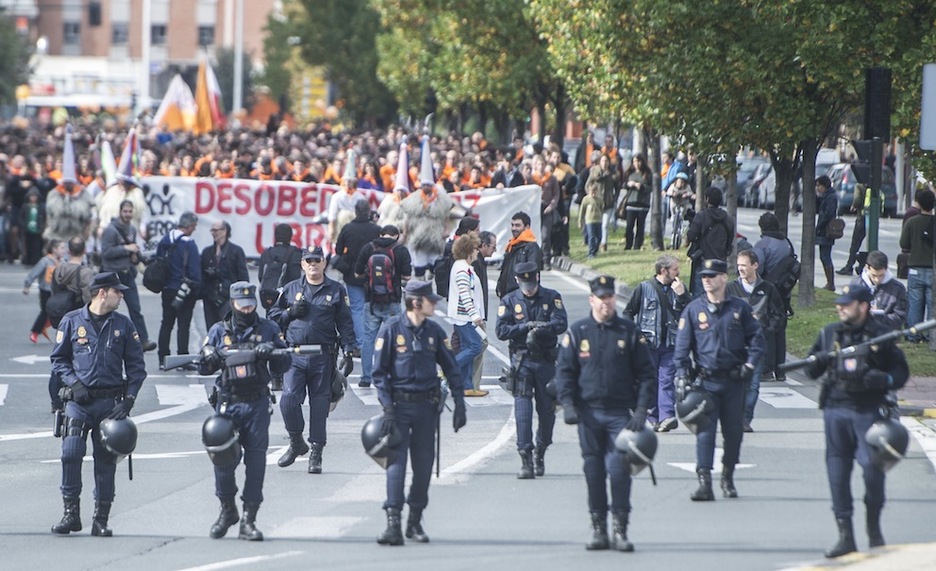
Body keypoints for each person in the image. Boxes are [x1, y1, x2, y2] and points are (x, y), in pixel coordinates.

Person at [803, 287, 909, 558]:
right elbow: (810, 369)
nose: (840, 308)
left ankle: (873, 528)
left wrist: (884, 380)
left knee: (873, 472)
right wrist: (817, 362)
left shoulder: (881, 335)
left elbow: (900, 371)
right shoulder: (829, 333)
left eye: (846, 304)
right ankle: (845, 535)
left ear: (863, 306)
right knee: (837, 475)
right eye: (839, 303)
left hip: (868, 411)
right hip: (835, 412)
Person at [555, 274, 656, 552]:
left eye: (609, 297)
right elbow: (564, 373)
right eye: (600, 298)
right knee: (593, 471)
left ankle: (620, 529)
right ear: (592, 300)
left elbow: (647, 374)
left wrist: (641, 410)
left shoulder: (629, 332)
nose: (605, 303)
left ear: (614, 299)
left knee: (619, 471)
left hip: (619, 416)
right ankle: (599, 528)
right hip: (588, 415)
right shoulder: (578, 332)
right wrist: (569, 405)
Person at [50, 272, 147, 537]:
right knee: (70, 454)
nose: (122, 296)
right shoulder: (71, 321)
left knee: (105, 461)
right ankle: (71, 515)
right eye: (118, 291)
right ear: (103, 293)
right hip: (78, 403)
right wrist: (74, 383)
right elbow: (59, 360)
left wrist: (129, 400)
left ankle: (101, 519)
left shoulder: (124, 325)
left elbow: (137, 368)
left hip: (109, 405)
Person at [372, 280, 467, 546]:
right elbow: (379, 374)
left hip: (427, 408)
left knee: (424, 466)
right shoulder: (390, 330)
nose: (435, 303)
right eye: (430, 300)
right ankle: (393, 523)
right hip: (399, 409)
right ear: (416, 303)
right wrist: (387, 408)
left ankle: (414, 520)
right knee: (396, 466)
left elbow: (452, 368)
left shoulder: (435, 332)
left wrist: (459, 402)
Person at [199, 282, 291, 542]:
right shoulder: (219, 331)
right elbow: (203, 365)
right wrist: (211, 357)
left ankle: (249, 518)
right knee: (222, 457)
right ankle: (227, 509)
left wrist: (271, 353)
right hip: (228, 402)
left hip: (256, 404)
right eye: (242, 305)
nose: (247, 309)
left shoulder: (269, 329)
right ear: (232, 303)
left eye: (251, 305)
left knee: (256, 460)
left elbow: (286, 361)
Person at [674, 259, 766, 501]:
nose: (706, 280)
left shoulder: (739, 309)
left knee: (733, 433)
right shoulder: (693, 310)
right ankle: (704, 482)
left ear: (724, 278)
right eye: (704, 276)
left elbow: (757, 341)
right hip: (706, 383)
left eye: (712, 276)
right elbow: (681, 349)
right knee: (705, 432)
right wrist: (682, 375)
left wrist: (749, 365)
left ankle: (727, 477)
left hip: (734, 383)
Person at [269, 246, 356, 474]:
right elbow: (272, 318)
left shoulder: (336, 290)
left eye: (317, 260)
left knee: (319, 406)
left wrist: (348, 351)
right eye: (308, 260)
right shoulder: (290, 289)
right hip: (295, 355)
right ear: (302, 264)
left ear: (324, 263)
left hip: (322, 355)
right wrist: (290, 313)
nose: (313, 264)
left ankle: (316, 452)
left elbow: (345, 323)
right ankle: (296, 441)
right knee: (288, 400)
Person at [496, 261, 568, 478]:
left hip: (546, 362)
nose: (529, 287)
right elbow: (501, 330)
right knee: (523, 412)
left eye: (532, 281)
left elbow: (561, 323)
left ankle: (541, 450)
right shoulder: (509, 300)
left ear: (537, 277)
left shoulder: (551, 297)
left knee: (547, 412)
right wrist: (524, 327)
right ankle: (525, 458)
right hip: (522, 361)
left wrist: (542, 327)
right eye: (524, 282)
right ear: (518, 280)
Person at [621, 254, 690, 432]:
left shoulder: (680, 288)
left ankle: (667, 416)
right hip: (648, 344)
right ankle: (654, 417)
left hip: (671, 343)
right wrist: (635, 333)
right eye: (675, 269)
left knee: (667, 379)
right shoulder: (643, 288)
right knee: (650, 380)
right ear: (663, 270)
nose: (678, 272)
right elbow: (628, 312)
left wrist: (682, 295)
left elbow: (690, 311)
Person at [726, 250, 785, 432]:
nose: (741, 269)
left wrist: (766, 331)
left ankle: (745, 419)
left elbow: (779, 315)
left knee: (753, 385)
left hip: (757, 345)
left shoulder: (767, 288)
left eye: (744, 265)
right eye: (739, 265)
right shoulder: (731, 288)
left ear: (755, 265)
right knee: (736, 384)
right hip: (735, 345)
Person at [354, 225, 413, 388]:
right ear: (396, 236)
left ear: (381, 234)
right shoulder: (401, 250)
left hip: (371, 301)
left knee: (368, 339)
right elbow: (407, 276)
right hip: (392, 301)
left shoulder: (368, 248)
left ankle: (366, 377)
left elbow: (357, 273)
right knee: (396, 339)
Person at [100, 200, 157, 351]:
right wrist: (125, 248)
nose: (127, 214)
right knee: (108, 308)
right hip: (113, 275)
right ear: (120, 211)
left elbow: (131, 249)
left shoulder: (132, 228)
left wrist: (134, 255)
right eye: (125, 211)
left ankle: (143, 340)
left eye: (130, 211)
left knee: (135, 309)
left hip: (127, 273)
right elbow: (105, 252)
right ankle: (101, 337)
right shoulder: (110, 230)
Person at [335, 200, 382, 356]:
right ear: (369, 211)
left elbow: (338, 249)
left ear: (355, 211)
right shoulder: (376, 229)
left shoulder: (348, 228)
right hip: (374, 273)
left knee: (356, 308)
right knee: (373, 309)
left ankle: (361, 344)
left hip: (353, 272)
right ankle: (371, 342)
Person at [156, 211, 202, 370]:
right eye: (194, 226)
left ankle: (163, 358)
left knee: (166, 323)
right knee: (183, 325)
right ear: (189, 226)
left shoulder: (165, 240)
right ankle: (182, 359)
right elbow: (195, 271)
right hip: (184, 290)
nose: (194, 229)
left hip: (167, 288)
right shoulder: (189, 244)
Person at [898, 188, 934, 342]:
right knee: (932, 306)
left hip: (915, 268)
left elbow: (903, 243)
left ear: (918, 203)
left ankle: (913, 334)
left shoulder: (912, 222)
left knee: (914, 304)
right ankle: (930, 335)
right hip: (933, 269)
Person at [201, 221, 249, 329]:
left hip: (229, 297)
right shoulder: (207, 252)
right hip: (210, 298)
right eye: (212, 230)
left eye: (216, 230)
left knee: (229, 328)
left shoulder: (236, 251)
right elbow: (202, 276)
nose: (214, 233)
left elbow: (243, 276)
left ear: (225, 231)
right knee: (212, 329)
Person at [686, 188, 734, 296]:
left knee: (699, 294)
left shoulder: (701, 216)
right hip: (721, 259)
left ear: (707, 199)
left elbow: (691, 235)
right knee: (719, 293)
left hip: (703, 259)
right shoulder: (727, 218)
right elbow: (730, 239)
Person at [467, 230, 497, 396]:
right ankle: (471, 384)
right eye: (493, 246)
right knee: (479, 346)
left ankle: (472, 383)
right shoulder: (476, 264)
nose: (494, 250)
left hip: (477, 314)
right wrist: (476, 315)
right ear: (483, 245)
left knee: (477, 346)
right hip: (475, 316)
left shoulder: (480, 262)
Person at [847, 251, 907, 331]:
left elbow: (900, 317)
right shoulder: (856, 284)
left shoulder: (897, 288)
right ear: (867, 268)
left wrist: (877, 317)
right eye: (874, 275)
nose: (877, 279)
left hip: (886, 334)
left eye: (881, 275)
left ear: (886, 269)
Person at [495, 211, 544, 298]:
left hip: (521, 296)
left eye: (517, 225)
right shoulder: (512, 244)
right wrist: (500, 286)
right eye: (512, 225)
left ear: (527, 227)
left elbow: (532, 272)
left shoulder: (531, 246)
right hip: (507, 295)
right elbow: (505, 270)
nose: (514, 228)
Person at [24, 239, 64, 343]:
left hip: (58, 292)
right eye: (62, 248)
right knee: (45, 312)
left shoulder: (63, 262)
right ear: (54, 249)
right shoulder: (45, 261)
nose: (64, 250)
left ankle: (62, 334)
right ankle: (35, 331)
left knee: (60, 313)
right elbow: (34, 273)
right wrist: (27, 285)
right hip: (45, 291)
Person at [256, 223, 303, 311]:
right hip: (286, 299)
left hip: (268, 295)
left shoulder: (266, 253)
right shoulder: (295, 253)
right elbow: (295, 278)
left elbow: (261, 277)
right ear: (290, 236)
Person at [586, 154, 620, 253]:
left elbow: (617, 187)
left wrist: (615, 197)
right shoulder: (594, 171)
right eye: (603, 161)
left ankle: (604, 244)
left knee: (605, 224)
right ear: (600, 162)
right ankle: (595, 243)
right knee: (596, 225)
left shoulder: (613, 173)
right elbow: (588, 184)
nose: (604, 163)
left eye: (606, 161)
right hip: (597, 203)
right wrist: (590, 196)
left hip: (608, 203)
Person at [620, 153, 653, 251]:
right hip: (631, 202)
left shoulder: (647, 174)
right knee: (629, 226)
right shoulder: (629, 173)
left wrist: (641, 187)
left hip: (643, 204)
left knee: (640, 226)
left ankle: (637, 245)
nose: (637, 163)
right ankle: (628, 244)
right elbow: (623, 184)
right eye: (635, 161)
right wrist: (628, 184)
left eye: (638, 161)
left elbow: (651, 188)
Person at [815, 175, 840, 291]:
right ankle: (829, 282)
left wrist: (819, 226)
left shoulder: (830, 197)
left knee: (825, 256)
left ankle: (830, 283)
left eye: (819, 185)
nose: (817, 188)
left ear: (824, 185)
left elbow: (829, 213)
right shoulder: (826, 196)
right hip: (824, 230)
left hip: (826, 230)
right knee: (824, 256)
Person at [578, 182, 604, 258]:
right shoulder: (586, 199)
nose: (593, 193)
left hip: (598, 220)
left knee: (599, 237)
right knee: (591, 236)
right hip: (589, 220)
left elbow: (602, 209)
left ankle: (595, 249)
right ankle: (591, 253)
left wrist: (601, 217)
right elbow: (582, 211)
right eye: (592, 191)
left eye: (595, 191)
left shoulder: (600, 199)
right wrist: (580, 221)